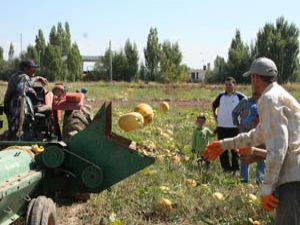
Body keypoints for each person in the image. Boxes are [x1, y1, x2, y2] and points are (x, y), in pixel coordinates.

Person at [204, 57, 300, 225]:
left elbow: (279, 147)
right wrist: (223, 144)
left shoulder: (269, 99)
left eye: (251, 79)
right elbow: (256, 135)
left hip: (293, 182)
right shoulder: (280, 95)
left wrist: (267, 188)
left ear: (255, 78)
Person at [3, 60, 48, 138]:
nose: (34, 70)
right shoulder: (24, 77)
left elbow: (29, 81)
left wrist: (37, 78)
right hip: (17, 106)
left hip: (8, 106)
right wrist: (30, 90)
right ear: (25, 69)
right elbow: (21, 87)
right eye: (32, 68)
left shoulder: (16, 75)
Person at [212, 76, 245, 173]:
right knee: (222, 149)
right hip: (221, 127)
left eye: (230, 84)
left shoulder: (240, 97)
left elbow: (247, 108)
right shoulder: (221, 96)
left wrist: (242, 122)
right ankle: (226, 169)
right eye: (226, 85)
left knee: (235, 149)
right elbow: (214, 106)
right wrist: (216, 118)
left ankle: (235, 169)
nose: (228, 86)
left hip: (235, 128)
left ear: (234, 84)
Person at [232, 100, 265, 184]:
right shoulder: (245, 102)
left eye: (254, 120)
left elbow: (274, 154)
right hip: (247, 133)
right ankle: (244, 180)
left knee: (261, 158)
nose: (252, 122)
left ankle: (260, 180)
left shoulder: (273, 130)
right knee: (245, 156)